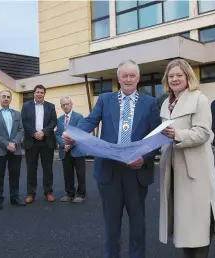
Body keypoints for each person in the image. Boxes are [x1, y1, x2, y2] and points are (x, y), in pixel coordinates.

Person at [63, 60, 161, 258]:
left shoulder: (150, 103)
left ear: (138, 78)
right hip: (109, 170)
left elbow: (156, 136)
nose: (128, 79)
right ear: (118, 78)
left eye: (132, 75)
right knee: (111, 223)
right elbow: (91, 120)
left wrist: (144, 158)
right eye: (124, 75)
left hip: (136, 170)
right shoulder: (105, 99)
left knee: (137, 223)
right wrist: (74, 133)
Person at [158, 59, 215, 258]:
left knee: (198, 222)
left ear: (188, 77)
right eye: (171, 75)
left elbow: (203, 133)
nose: (175, 79)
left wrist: (176, 134)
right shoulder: (166, 102)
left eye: (179, 75)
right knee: (183, 222)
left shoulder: (199, 99)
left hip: (194, 170)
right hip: (173, 168)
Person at [0, 90, 25, 210]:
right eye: (3, 96)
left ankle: (14, 197)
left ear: (11, 99)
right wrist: (6, 144)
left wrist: (14, 143)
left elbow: (21, 130)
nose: (6, 98)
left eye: (8, 97)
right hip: (0, 150)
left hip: (15, 149)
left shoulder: (17, 114)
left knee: (15, 175)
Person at [21, 85, 57, 204]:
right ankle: (31, 194)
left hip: (47, 141)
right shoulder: (26, 106)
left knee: (48, 169)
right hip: (31, 141)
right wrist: (34, 133)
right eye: (37, 92)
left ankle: (48, 192)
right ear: (34, 93)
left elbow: (53, 122)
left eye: (42, 92)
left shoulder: (50, 106)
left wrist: (43, 132)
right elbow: (24, 121)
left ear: (44, 94)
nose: (39, 94)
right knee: (31, 169)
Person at [55, 96, 86, 203]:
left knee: (80, 173)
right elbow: (58, 134)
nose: (66, 106)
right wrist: (64, 145)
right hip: (65, 151)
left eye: (67, 104)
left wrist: (70, 144)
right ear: (61, 107)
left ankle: (81, 194)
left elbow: (80, 133)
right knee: (67, 174)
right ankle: (69, 194)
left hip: (77, 150)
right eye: (63, 105)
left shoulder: (79, 117)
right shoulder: (59, 119)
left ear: (71, 104)